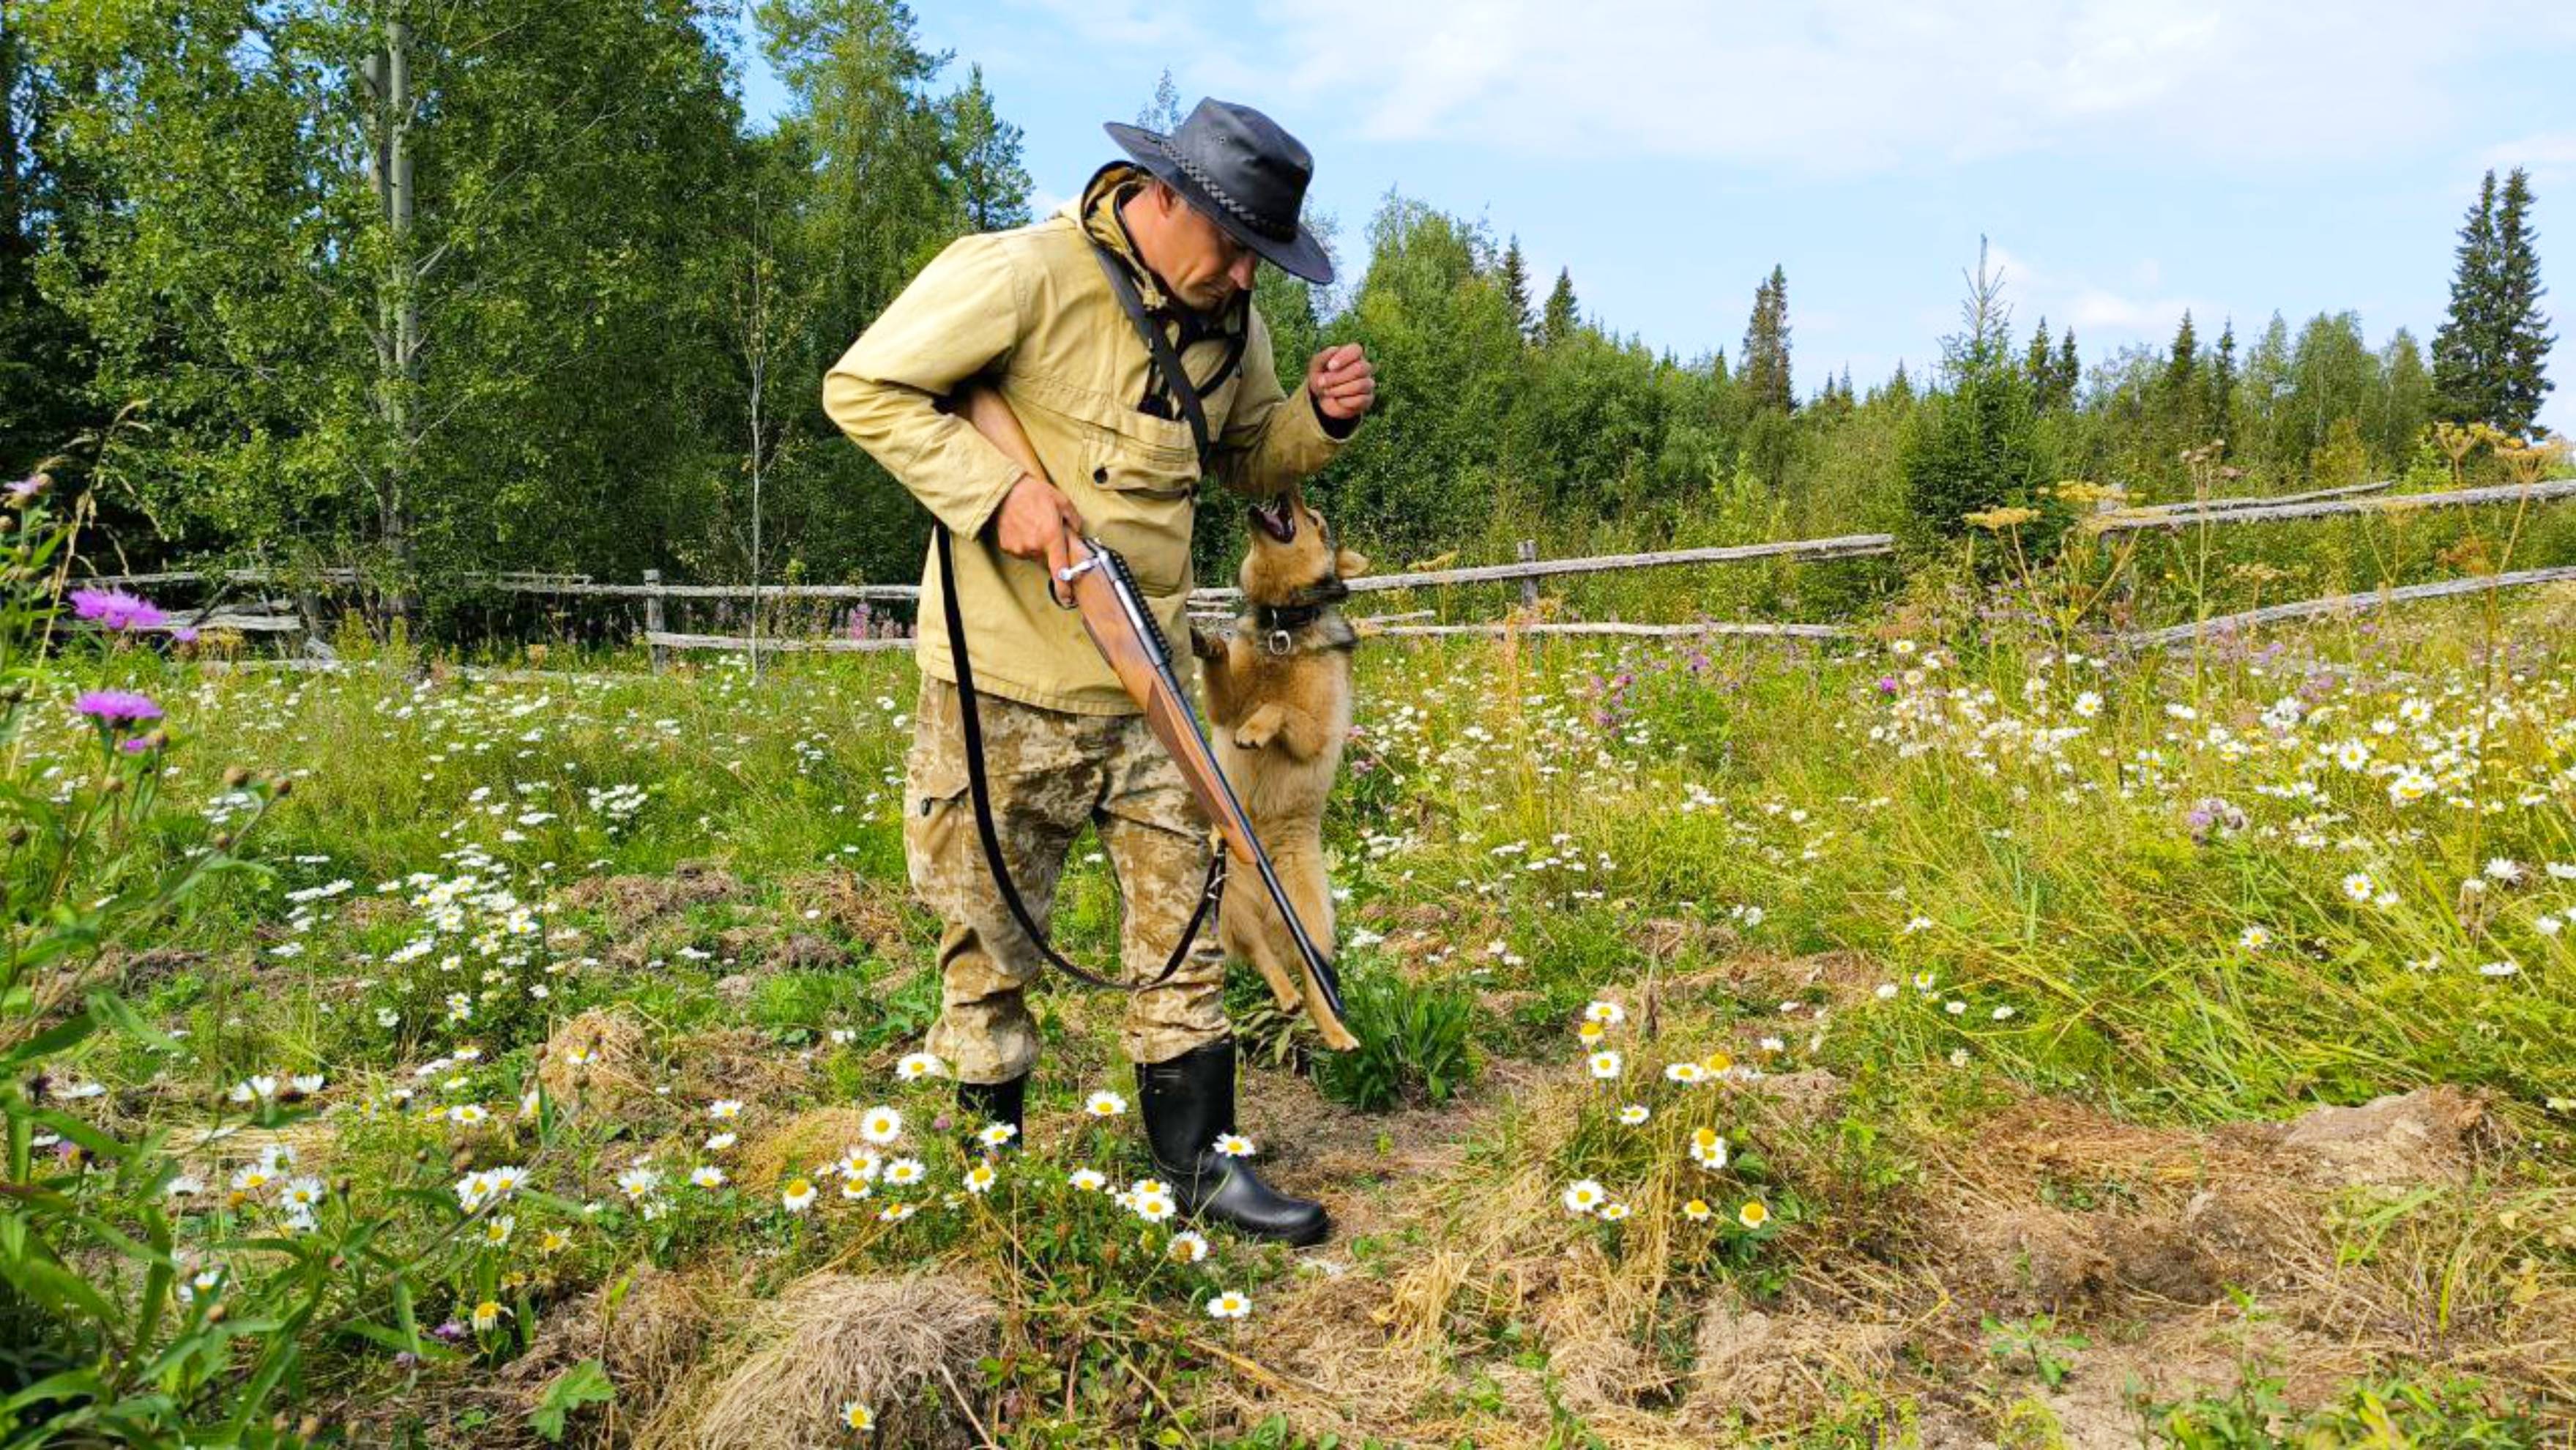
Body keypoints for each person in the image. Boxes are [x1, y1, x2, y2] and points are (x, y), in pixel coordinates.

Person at [822, 97, 1376, 1245]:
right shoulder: (1020, 274)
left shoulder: (1233, 320)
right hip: (1003, 685)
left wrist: (1313, 424)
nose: (1238, 273)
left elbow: (1242, 457)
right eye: (1229, 244)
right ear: (1162, 196)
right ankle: (989, 1174)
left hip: (1153, 687)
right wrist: (999, 495)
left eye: (1257, 256)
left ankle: (1204, 1173)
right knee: (987, 940)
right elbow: (864, 388)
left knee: (1182, 934)